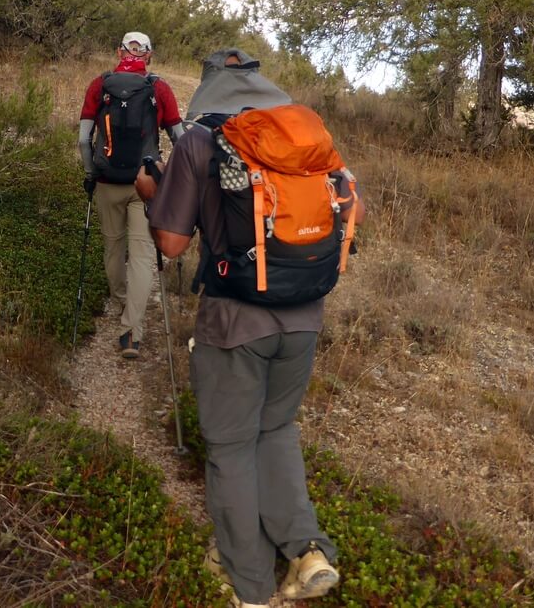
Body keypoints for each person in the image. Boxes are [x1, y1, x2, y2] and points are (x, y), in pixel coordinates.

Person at [135, 49, 363, 608]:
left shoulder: (198, 141)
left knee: (232, 446)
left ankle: (251, 587)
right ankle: (307, 551)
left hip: (235, 323)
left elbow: (171, 244)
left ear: (209, 89)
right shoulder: (306, 141)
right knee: (277, 431)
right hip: (305, 317)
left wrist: (152, 195)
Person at [77, 31, 183, 359]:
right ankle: (131, 332)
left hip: (107, 180)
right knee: (141, 255)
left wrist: (90, 172)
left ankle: (122, 297)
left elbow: (83, 139)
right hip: (145, 182)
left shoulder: (100, 85)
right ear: (149, 57)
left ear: (118, 52)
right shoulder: (159, 88)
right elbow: (179, 138)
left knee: (113, 247)